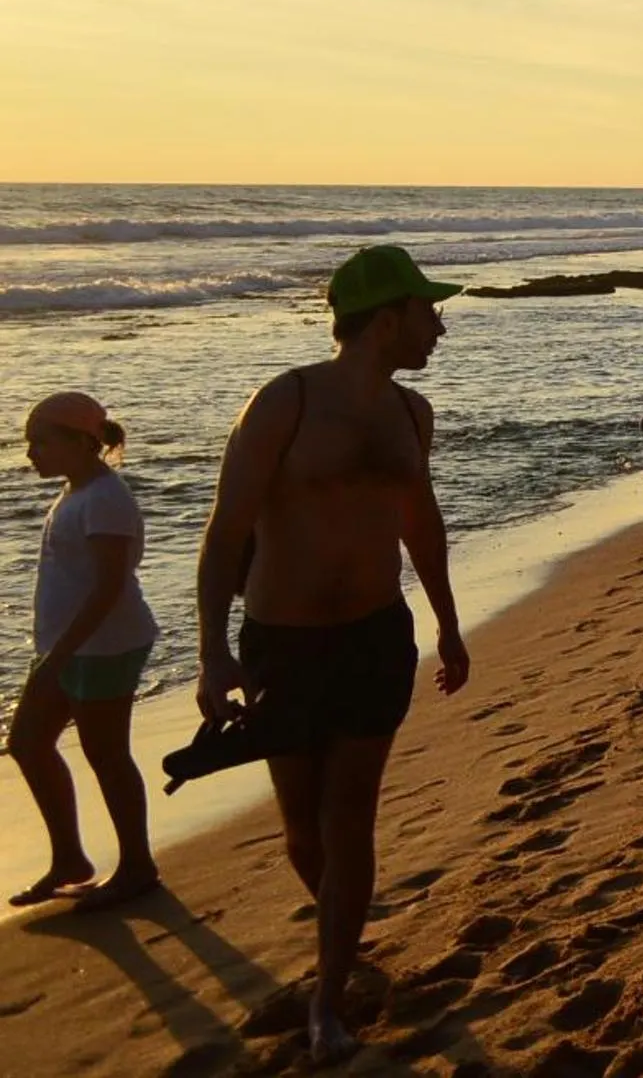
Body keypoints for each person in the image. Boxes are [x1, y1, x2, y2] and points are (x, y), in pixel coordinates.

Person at [193, 245, 472, 1064]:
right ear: (385, 320)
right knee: (303, 830)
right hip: (283, 647)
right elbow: (225, 535)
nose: (439, 326)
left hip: (376, 637)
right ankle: (344, 939)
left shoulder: (413, 412)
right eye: (427, 312)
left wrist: (449, 623)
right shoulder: (285, 403)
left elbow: (420, 524)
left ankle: (330, 995)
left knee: (348, 816)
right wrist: (212, 651)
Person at [10, 393, 158, 911]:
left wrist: (64, 652)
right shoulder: (77, 492)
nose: (30, 453)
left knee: (107, 755)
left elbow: (109, 587)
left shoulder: (105, 498)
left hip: (102, 648)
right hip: (66, 648)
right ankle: (69, 858)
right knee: (27, 742)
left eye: (40, 442)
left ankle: (138, 866)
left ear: (81, 442)